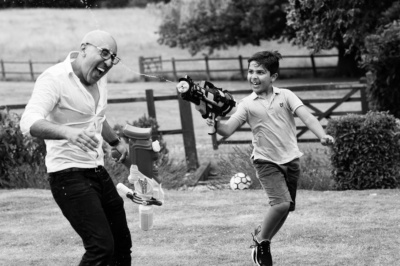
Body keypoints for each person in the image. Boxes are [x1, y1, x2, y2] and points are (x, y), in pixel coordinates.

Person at [206, 51, 334, 266]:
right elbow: (227, 130)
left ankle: (263, 238)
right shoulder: (246, 104)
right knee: (281, 204)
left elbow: (308, 117)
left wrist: (322, 136)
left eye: (260, 72)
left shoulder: (286, 95)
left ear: (273, 76)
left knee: (287, 208)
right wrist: (215, 124)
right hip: (265, 161)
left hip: (291, 159)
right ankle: (260, 242)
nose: (253, 76)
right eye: (250, 71)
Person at [20, 30, 132, 266]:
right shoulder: (54, 78)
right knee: (101, 248)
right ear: (83, 48)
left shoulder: (100, 79)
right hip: (67, 176)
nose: (109, 62)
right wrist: (67, 132)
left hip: (97, 171)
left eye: (114, 57)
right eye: (104, 53)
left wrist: (114, 141)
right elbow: (28, 122)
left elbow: (97, 117)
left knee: (122, 246)